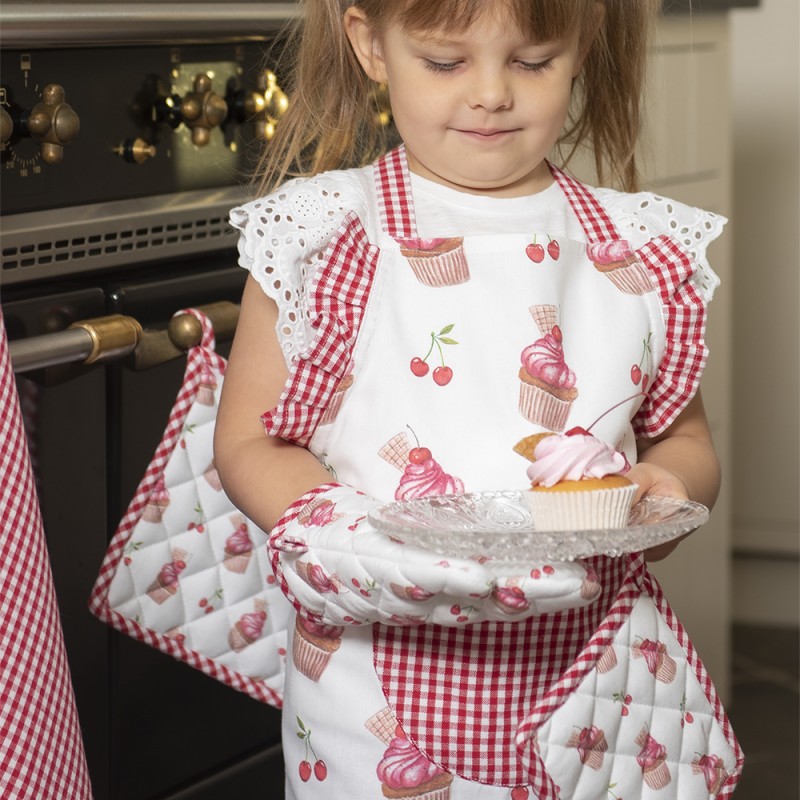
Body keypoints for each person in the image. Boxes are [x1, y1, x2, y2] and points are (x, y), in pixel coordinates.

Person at [215, 0, 743, 797]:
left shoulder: (638, 252)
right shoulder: (332, 238)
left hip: (593, 686)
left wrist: (661, 489)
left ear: (579, 48)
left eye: (532, 61)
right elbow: (253, 444)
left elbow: (686, 443)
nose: (493, 92)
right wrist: (363, 545)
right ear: (371, 46)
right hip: (375, 698)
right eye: (445, 61)